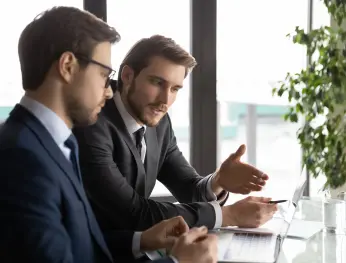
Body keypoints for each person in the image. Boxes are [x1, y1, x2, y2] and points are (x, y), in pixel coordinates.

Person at [0, 7, 217, 263]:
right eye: (104, 74)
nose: (108, 91)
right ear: (68, 66)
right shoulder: (21, 159)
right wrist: (178, 262)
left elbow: (76, 245)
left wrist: (141, 240)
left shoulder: (54, 142)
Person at [73, 35, 278, 234]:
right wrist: (230, 216)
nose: (165, 100)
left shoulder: (158, 121)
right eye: (157, 83)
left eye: (175, 89)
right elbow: (134, 213)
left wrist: (218, 181)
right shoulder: (92, 123)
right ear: (127, 76)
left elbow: (188, 188)